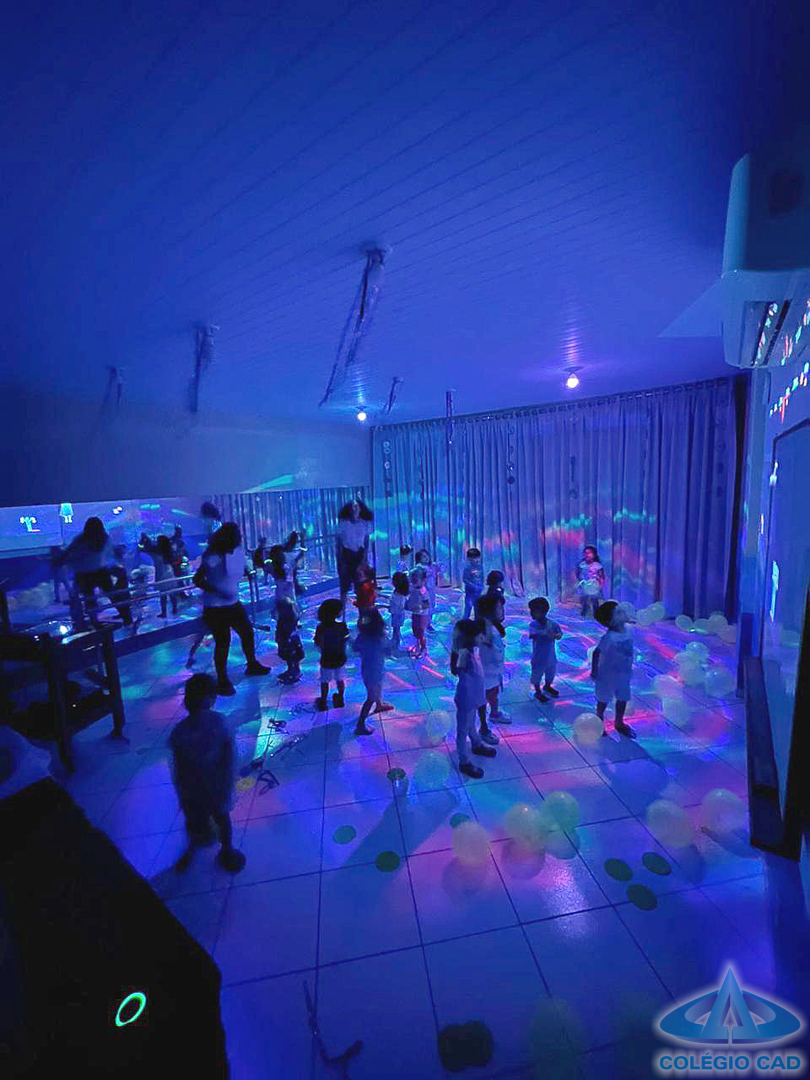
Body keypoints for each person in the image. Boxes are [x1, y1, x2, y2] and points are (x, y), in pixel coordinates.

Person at [169, 674, 246, 874]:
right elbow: (229, 757)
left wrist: (182, 791)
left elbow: (179, 768)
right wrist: (229, 784)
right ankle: (226, 849)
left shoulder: (179, 731)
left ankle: (194, 847)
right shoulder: (219, 723)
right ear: (212, 699)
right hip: (215, 786)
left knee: (196, 819)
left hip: (193, 789)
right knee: (222, 819)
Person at [193, 522, 270, 695]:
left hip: (232, 603)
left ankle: (252, 664)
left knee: (247, 632)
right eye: (237, 535)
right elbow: (197, 579)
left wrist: (247, 571)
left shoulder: (235, 553)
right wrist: (218, 591)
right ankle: (222, 680)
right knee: (223, 641)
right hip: (215, 607)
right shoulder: (213, 556)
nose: (240, 538)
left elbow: (239, 569)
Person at [60, 517, 134, 627]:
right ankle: (126, 617)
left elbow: (70, 554)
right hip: (100, 571)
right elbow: (109, 554)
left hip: (84, 573)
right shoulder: (103, 538)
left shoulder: (81, 539)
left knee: (89, 599)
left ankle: (95, 622)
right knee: (112, 596)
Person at [451, 619, 496, 779]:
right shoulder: (464, 653)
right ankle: (464, 761)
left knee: (471, 724)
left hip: (474, 695)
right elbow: (456, 669)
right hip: (466, 697)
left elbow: (486, 640)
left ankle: (476, 744)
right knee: (463, 729)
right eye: (478, 635)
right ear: (470, 637)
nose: (481, 637)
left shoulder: (473, 649)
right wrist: (459, 651)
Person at [591, 600, 637, 739]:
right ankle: (599, 719)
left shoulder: (628, 629)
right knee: (603, 699)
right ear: (611, 621)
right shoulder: (609, 637)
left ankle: (619, 722)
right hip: (607, 674)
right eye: (619, 613)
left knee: (623, 697)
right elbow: (596, 653)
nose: (623, 612)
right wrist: (594, 670)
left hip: (624, 672)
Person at [351, 608, 393, 736]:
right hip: (376, 669)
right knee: (371, 698)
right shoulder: (381, 637)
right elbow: (388, 651)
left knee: (377, 687)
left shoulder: (362, 637)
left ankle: (379, 704)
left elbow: (355, 648)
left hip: (368, 669)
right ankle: (360, 725)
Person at [476, 593, 510, 744]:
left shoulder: (493, 627)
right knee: (483, 700)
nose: (502, 610)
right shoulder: (484, 630)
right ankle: (483, 728)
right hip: (485, 672)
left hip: (494, 671)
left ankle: (495, 714)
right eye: (499, 608)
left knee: (494, 694)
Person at [336, 499, 373, 611]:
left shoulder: (364, 524)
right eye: (352, 507)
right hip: (346, 555)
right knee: (344, 587)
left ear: (361, 508)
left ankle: (363, 613)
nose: (354, 509)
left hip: (359, 555)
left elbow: (366, 543)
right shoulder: (343, 524)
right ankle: (341, 613)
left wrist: (364, 559)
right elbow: (339, 544)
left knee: (361, 587)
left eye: (356, 506)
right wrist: (340, 561)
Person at [314, 599, 350, 709]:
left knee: (324, 680)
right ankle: (340, 698)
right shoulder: (342, 626)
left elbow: (317, 643)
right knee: (340, 679)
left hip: (326, 658)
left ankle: (323, 701)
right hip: (340, 657)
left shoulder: (320, 628)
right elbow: (346, 639)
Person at [528, 597, 563, 701]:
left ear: (543, 612)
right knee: (537, 674)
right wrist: (545, 634)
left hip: (551, 656)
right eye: (531, 611)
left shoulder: (553, 624)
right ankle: (537, 691)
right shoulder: (533, 625)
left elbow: (559, 633)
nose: (531, 613)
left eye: (533, 611)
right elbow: (533, 635)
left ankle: (547, 686)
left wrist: (558, 635)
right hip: (538, 657)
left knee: (551, 672)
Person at [275, 597, 304, 683]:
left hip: (291, 641)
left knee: (294, 656)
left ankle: (297, 671)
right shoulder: (282, 619)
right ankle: (290, 669)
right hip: (284, 640)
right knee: (287, 656)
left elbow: (291, 630)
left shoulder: (291, 619)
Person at [152, 535, 179, 618]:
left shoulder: (157, 551)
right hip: (169, 571)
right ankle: (174, 609)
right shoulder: (168, 550)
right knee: (171, 593)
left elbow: (145, 548)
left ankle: (164, 613)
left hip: (161, 572)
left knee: (163, 594)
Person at [406, 566, 430, 658]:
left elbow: (427, 604)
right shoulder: (413, 588)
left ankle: (423, 648)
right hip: (415, 612)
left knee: (420, 631)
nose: (413, 582)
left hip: (422, 614)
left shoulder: (422, 590)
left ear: (423, 580)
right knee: (415, 629)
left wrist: (419, 607)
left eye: (415, 580)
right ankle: (417, 645)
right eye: (412, 580)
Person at [577, 545, 606, 619]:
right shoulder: (582, 565)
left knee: (594, 601)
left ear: (594, 554)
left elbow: (601, 576)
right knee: (584, 601)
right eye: (585, 553)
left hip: (594, 585)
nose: (587, 555)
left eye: (589, 553)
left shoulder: (597, 565)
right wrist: (581, 581)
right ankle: (583, 614)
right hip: (585, 584)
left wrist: (600, 585)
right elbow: (578, 574)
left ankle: (596, 615)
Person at [415, 549, 439, 631]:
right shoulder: (419, 568)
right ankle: (423, 624)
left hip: (431, 590)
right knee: (425, 608)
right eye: (423, 557)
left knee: (432, 606)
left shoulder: (432, 566)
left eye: (427, 556)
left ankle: (429, 624)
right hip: (424, 590)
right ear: (419, 559)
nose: (426, 558)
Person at [388, 572, 410, 649]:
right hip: (396, 614)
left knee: (396, 629)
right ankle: (394, 640)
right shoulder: (398, 592)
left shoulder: (399, 595)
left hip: (398, 615)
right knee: (395, 629)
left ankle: (396, 643)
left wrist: (387, 606)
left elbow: (399, 606)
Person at [282, 531, 307, 597]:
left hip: (286, 578)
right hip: (289, 577)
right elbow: (303, 552)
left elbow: (302, 552)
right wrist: (302, 540)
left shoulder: (284, 555)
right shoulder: (292, 557)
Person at [462, 547, 483, 620]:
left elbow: (482, 577)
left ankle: (478, 620)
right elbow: (465, 579)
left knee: (478, 606)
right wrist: (473, 586)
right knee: (468, 606)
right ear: (469, 559)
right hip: (470, 592)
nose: (477, 560)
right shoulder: (467, 568)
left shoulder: (480, 567)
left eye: (478, 558)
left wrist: (481, 586)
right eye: (474, 558)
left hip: (478, 591)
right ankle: (465, 620)